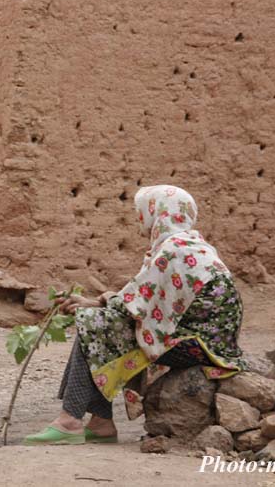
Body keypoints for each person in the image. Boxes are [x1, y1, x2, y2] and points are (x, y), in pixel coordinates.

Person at [24, 185, 247, 445]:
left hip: (199, 344)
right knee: (99, 321)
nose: (139, 219)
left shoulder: (175, 249)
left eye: (143, 212)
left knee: (94, 324)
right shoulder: (191, 244)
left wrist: (95, 305)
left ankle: (70, 420)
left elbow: (134, 304)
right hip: (207, 340)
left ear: (159, 213)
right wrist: (99, 302)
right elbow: (145, 297)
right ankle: (99, 422)